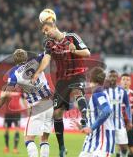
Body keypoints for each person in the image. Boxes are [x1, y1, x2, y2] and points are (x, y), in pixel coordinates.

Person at [32, 11, 90, 157]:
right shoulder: (49, 44)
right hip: (62, 79)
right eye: (44, 32)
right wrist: (38, 71)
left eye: (46, 30)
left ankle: (84, 119)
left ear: (53, 25)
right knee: (57, 113)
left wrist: (74, 50)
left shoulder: (72, 37)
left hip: (77, 72)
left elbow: (87, 53)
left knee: (77, 92)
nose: (46, 33)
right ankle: (62, 148)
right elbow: (46, 59)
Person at [0, 49, 53, 157]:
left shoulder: (14, 74)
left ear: (14, 60)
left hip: (38, 105)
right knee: (44, 139)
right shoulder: (35, 61)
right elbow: (48, 52)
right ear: (26, 58)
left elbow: (7, 94)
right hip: (50, 104)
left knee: (28, 138)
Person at [72, 67, 114, 157]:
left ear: (90, 79)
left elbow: (107, 111)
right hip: (91, 142)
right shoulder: (98, 94)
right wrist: (84, 127)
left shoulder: (98, 94)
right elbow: (94, 116)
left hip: (102, 142)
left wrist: (91, 128)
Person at [104, 70, 132, 157]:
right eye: (110, 76)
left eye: (114, 76)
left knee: (124, 147)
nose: (112, 78)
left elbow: (127, 106)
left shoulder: (122, 91)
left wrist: (129, 121)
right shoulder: (103, 91)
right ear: (107, 78)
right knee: (105, 148)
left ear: (117, 78)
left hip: (119, 123)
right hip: (106, 123)